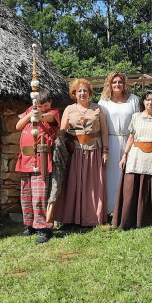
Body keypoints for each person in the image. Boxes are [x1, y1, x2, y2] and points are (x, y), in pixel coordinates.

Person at [115, 90, 152, 229]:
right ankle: (129, 220)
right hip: (136, 156)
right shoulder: (136, 117)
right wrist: (125, 155)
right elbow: (131, 138)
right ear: (143, 102)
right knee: (131, 189)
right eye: (147, 99)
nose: (150, 102)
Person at [55, 79, 108, 227]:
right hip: (75, 152)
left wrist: (105, 151)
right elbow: (62, 130)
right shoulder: (69, 109)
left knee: (93, 185)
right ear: (74, 93)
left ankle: (91, 218)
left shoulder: (97, 109)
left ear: (90, 93)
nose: (82, 93)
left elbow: (104, 132)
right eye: (79, 91)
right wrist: (57, 145)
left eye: (85, 90)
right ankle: (70, 218)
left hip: (93, 151)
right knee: (73, 184)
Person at [15, 90, 60, 244]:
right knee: (26, 195)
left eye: (45, 105)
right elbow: (18, 126)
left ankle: (44, 228)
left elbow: (49, 117)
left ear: (50, 103)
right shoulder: (30, 110)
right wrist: (30, 114)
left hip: (41, 158)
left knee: (39, 195)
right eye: (39, 106)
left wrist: (39, 114)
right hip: (26, 158)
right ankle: (30, 225)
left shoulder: (53, 112)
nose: (42, 108)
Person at [98, 71, 139, 218]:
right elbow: (101, 126)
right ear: (110, 84)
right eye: (114, 82)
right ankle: (110, 210)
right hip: (111, 141)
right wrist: (105, 148)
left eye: (120, 82)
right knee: (111, 176)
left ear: (124, 84)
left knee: (129, 174)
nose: (117, 85)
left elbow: (138, 122)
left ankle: (127, 210)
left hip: (130, 141)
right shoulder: (104, 101)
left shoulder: (133, 100)